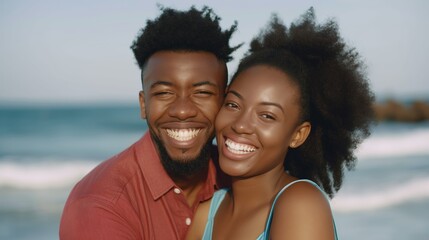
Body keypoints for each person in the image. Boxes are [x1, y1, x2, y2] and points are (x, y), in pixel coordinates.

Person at [186, 8, 374, 240]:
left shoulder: (301, 204)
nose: (241, 125)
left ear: (298, 135)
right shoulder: (206, 214)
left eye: (267, 116)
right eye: (233, 105)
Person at [59, 6, 240, 239]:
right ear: (143, 105)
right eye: (164, 93)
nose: (183, 110)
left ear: (225, 102)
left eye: (202, 93)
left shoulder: (242, 179)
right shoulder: (99, 204)